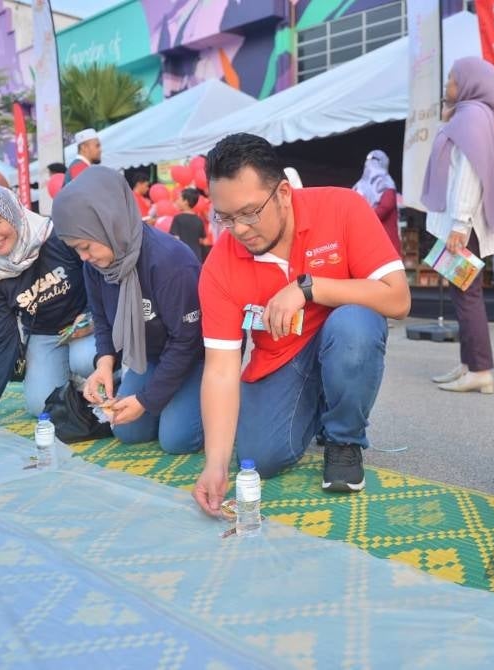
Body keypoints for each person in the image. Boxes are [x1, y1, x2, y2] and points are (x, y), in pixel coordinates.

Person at [192, 133, 410, 516]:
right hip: (282, 359)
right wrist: (215, 464)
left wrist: (309, 288)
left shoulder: (341, 207)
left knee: (354, 326)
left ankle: (343, 439)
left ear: (283, 194)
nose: (239, 230)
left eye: (249, 213)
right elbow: (222, 369)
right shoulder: (219, 266)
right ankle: (320, 403)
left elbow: (398, 299)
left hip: (340, 338)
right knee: (260, 458)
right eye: (226, 218)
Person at [52, 166, 205, 455]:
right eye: (75, 249)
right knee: (126, 430)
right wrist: (104, 365)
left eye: (86, 245)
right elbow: (101, 319)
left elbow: (187, 341)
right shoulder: (95, 265)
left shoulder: (170, 262)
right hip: (147, 357)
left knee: (177, 440)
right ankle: (170, 403)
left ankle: (215, 401)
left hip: (194, 358)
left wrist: (147, 400)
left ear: (111, 222)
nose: (84, 257)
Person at [0, 186, 95, 429]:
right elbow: (3, 340)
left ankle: (104, 377)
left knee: (85, 359)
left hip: (88, 322)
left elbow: (98, 275)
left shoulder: (57, 236)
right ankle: (73, 380)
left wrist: (93, 316)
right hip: (44, 334)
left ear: (13, 213)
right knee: (40, 406)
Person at [422, 57, 494, 395]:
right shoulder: (472, 115)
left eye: (453, 79)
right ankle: (468, 364)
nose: (448, 85)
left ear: (471, 83)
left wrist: (459, 224)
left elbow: (469, 174)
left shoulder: (472, 116)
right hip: (464, 223)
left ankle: (479, 370)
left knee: (468, 294)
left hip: (466, 224)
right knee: (464, 295)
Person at [353, 150, 400, 254]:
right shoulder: (386, 183)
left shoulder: (358, 187)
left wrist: (361, 219)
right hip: (383, 243)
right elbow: (385, 207)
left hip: (372, 242)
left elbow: (385, 208)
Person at [169, 187, 205, 260]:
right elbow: (201, 240)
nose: (177, 200)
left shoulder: (178, 218)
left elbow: (175, 238)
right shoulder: (199, 220)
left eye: (179, 198)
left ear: (185, 202)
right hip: (196, 256)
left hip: (182, 255)